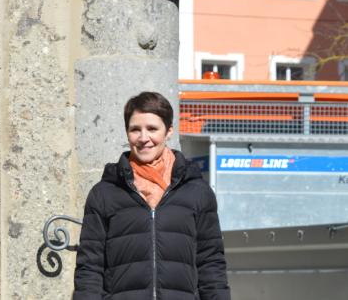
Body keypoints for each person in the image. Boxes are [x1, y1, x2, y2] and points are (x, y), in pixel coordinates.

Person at [73, 91, 231, 299]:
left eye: (152, 129)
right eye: (135, 129)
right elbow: (89, 267)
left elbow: (211, 262)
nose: (143, 138)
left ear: (169, 131)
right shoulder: (104, 194)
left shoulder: (197, 192)